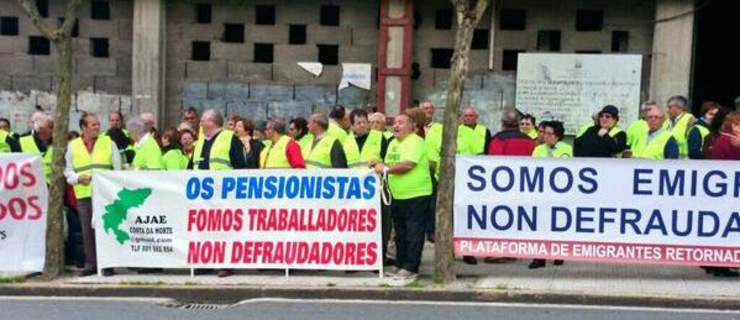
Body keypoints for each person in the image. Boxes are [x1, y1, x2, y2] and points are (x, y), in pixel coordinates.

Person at [373, 113, 432, 281]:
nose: (396, 126)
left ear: (411, 126)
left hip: (416, 194)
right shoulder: (392, 143)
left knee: (413, 233)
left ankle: (411, 267)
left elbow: (408, 165)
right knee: (400, 233)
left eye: (401, 123)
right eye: (395, 123)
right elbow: (389, 164)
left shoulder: (415, 141)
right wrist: (379, 165)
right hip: (397, 195)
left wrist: (385, 169)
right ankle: (400, 264)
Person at [188, 108, 247, 278]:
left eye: (203, 120)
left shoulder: (230, 139)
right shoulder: (200, 141)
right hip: (202, 196)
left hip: (224, 196)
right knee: (204, 229)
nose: (200, 123)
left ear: (211, 122)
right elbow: (192, 166)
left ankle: (226, 264)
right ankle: (206, 263)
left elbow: (241, 167)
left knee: (224, 230)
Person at [64, 112, 121, 277]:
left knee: (107, 228)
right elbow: (68, 171)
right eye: (93, 125)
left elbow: (117, 168)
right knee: (87, 230)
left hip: (105, 194)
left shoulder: (108, 142)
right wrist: (77, 178)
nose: (97, 127)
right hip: (84, 193)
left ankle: (108, 264)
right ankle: (91, 264)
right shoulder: (73, 145)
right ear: (84, 127)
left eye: (98, 124)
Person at [483, 108, 535, 264]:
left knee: (499, 218)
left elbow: (494, 164)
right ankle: (512, 250)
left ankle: (498, 252)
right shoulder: (529, 140)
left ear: (502, 123)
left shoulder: (498, 140)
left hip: (502, 187)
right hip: (524, 186)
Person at [529, 121, 570, 269]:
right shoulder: (538, 149)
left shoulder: (567, 149)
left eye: (549, 133)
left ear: (557, 135)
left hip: (560, 194)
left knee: (558, 224)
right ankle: (539, 257)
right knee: (541, 224)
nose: (545, 136)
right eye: (544, 133)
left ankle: (559, 253)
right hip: (542, 192)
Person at [420, 101, 443, 242]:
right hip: (416, 168)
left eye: (430, 108)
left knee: (432, 203)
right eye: (425, 108)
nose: (428, 110)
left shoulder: (440, 128)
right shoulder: (414, 127)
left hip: (433, 169)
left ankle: (431, 230)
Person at [16, 116, 54, 182]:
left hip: (53, 187)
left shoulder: (58, 142)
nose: (53, 130)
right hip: (31, 186)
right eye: (51, 127)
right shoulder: (22, 141)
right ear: (41, 129)